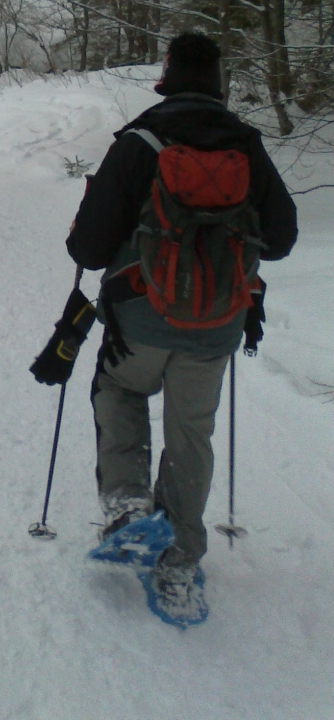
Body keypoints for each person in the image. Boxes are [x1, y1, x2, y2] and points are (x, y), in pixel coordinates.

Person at [64, 33, 296, 615]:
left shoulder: (140, 142)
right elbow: (284, 238)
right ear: (218, 83)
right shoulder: (246, 145)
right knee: (191, 435)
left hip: (140, 318)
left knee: (118, 390)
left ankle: (127, 504)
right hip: (216, 326)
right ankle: (180, 568)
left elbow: (89, 250)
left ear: (166, 77)